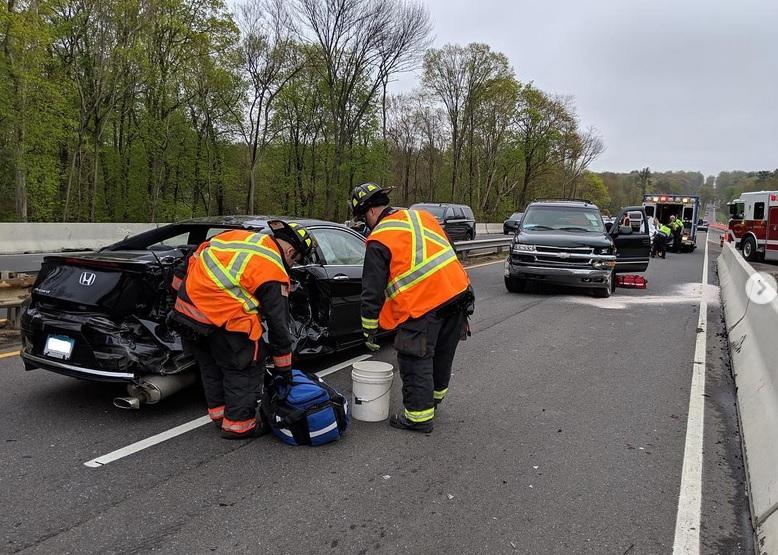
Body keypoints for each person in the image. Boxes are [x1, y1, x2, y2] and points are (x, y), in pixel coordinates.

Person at [169, 220, 315, 439]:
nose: (292, 267)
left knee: (211, 366)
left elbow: (184, 269)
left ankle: (219, 416)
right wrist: (283, 369)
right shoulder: (272, 268)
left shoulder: (233, 237)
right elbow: (279, 327)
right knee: (244, 368)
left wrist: (184, 302)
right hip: (224, 321)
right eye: (296, 262)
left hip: (187, 316)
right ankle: (239, 425)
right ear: (291, 251)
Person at [352, 182, 474, 433]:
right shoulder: (422, 217)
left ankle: (418, 417)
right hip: (458, 294)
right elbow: (450, 251)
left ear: (370, 212)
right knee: (443, 352)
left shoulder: (379, 238)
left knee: (414, 356)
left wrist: (369, 329)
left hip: (423, 305)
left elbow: (372, 290)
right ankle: (433, 400)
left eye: (363, 218)